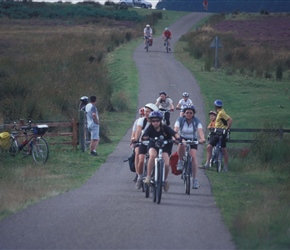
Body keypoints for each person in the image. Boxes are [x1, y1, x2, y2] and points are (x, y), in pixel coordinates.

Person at [142, 111, 181, 192]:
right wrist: (146, 138)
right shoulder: (150, 128)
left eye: (157, 121)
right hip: (153, 145)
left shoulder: (165, 128)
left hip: (165, 147)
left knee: (167, 164)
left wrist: (177, 138)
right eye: (153, 121)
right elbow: (145, 136)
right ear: (151, 122)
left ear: (160, 121)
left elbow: (174, 133)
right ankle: (148, 176)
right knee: (152, 156)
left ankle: (165, 180)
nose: (155, 123)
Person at [174, 104, 205, 189]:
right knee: (182, 144)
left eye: (191, 113)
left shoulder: (196, 121)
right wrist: (175, 137)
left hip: (193, 139)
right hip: (182, 138)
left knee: (193, 157)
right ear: (184, 113)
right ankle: (180, 161)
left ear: (193, 113)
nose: (189, 114)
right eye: (187, 112)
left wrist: (202, 139)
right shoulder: (180, 120)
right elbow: (175, 130)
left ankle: (195, 180)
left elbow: (200, 130)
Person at [134, 103, 159, 189]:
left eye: (148, 112)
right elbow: (138, 131)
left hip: (154, 143)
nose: (146, 113)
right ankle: (140, 177)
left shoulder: (158, 121)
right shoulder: (142, 120)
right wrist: (136, 139)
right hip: (143, 143)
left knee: (156, 160)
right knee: (141, 160)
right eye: (145, 111)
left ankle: (155, 177)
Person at [203, 100, 233, 172]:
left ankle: (225, 167)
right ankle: (207, 163)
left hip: (222, 132)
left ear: (215, 106)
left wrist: (227, 129)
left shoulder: (221, 113)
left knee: (223, 149)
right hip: (217, 132)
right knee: (209, 147)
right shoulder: (220, 112)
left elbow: (230, 120)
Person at [130, 107, 145, 182]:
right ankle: (137, 172)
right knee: (137, 153)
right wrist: (133, 140)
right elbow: (134, 132)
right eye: (142, 115)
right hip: (138, 141)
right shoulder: (138, 121)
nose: (143, 116)